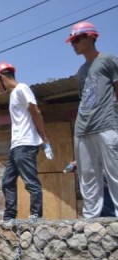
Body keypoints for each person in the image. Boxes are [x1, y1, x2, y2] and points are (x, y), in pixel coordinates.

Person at [66, 21, 118, 219]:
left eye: (77, 39)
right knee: (87, 175)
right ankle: (90, 218)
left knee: (114, 172)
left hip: (106, 123)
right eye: (72, 41)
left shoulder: (108, 60)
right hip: (82, 128)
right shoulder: (81, 71)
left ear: (91, 37)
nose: (74, 44)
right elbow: (84, 100)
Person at [0, 62, 53, 221]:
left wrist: (43, 137)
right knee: (7, 182)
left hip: (26, 144)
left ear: (1, 77)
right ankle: (10, 216)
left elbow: (35, 111)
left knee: (31, 182)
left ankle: (36, 216)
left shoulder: (22, 88)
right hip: (16, 146)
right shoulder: (12, 95)